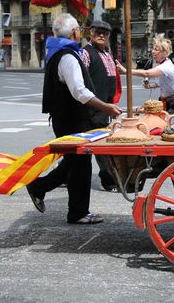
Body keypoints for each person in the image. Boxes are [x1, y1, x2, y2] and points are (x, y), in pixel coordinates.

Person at [26, 13, 122, 224]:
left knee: (76, 163)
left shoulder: (58, 52)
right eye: (79, 29)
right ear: (74, 33)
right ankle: (73, 209)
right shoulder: (68, 56)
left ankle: (49, 194)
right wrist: (105, 107)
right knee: (79, 164)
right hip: (72, 119)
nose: (81, 32)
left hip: (69, 118)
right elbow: (80, 92)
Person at [80, 19, 120, 192]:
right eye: (98, 32)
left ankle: (64, 174)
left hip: (104, 108)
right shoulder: (86, 53)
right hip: (92, 109)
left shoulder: (107, 54)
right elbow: (80, 82)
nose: (101, 35)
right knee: (101, 148)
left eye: (105, 33)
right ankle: (109, 179)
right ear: (91, 33)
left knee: (96, 148)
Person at [117, 34, 174, 113]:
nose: (153, 51)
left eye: (156, 49)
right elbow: (162, 82)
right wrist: (150, 85)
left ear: (164, 52)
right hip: (169, 101)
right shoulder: (161, 64)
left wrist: (126, 70)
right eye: (153, 49)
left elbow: (147, 73)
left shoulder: (166, 66)